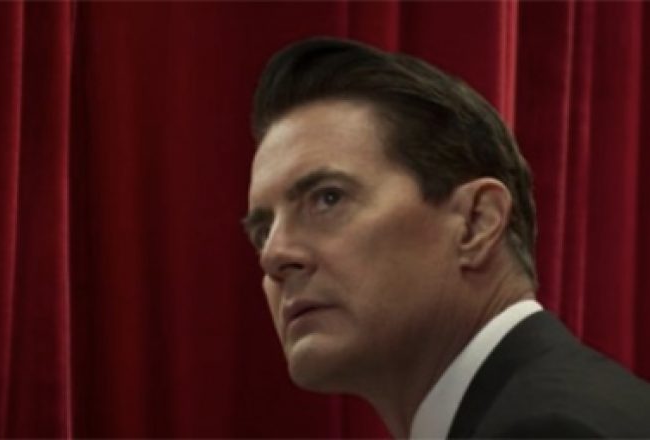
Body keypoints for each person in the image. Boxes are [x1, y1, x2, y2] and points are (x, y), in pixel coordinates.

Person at [242, 37, 650, 438]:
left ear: (476, 223)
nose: (273, 255)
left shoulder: (550, 430)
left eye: (327, 199)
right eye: (262, 232)